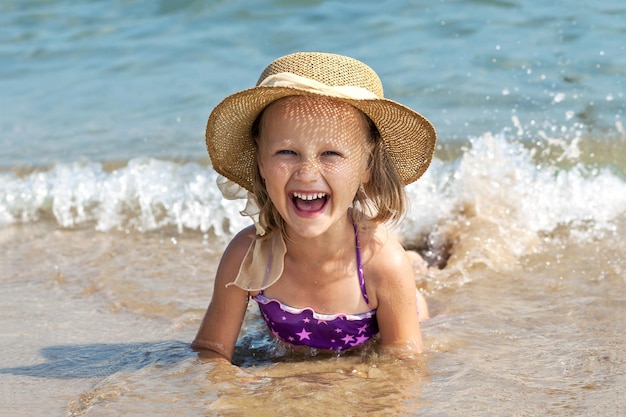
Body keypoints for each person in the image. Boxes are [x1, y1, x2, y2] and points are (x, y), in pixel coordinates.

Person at [192, 52, 436, 363]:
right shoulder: (247, 255)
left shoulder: (382, 264)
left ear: (367, 165)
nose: (306, 174)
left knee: (418, 294)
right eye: (287, 151)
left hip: (396, 298)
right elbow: (211, 349)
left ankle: (417, 263)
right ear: (260, 161)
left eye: (331, 153)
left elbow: (404, 365)